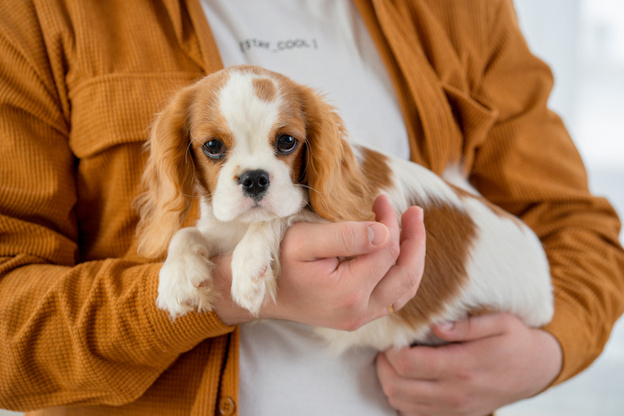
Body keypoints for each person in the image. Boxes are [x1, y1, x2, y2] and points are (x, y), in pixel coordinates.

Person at [0, 1, 622, 416]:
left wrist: (548, 352)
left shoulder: (463, 10)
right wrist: (217, 293)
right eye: (215, 148)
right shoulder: (42, 14)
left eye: (285, 144)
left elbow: (576, 224)